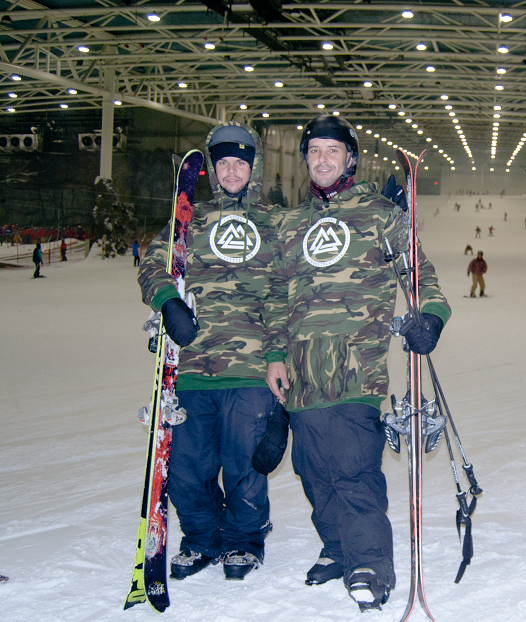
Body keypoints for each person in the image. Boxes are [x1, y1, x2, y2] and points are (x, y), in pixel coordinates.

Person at [261, 114, 450, 612]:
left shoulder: (380, 214)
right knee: (311, 471)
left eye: (332, 150)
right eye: (314, 151)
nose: (322, 159)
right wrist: (276, 355)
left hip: (354, 369)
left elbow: (418, 272)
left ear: (350, 158)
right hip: (301, 376)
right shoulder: (291, 223)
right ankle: (339, 547)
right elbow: (279, 296)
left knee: (353, 470)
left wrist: (430, 315)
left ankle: (369, 564)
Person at [137, 122, 281, 582]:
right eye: (223, 163)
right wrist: (169, 302)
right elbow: (151, 263)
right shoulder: (189, 221)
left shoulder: (275, 224)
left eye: (241, 162)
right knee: (186, 468)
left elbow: (297, 288)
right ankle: (201, 537)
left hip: (251, 369)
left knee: (244, 465)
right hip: (192, 367)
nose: (232, 171)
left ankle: (243, 540)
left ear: (253, 169)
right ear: (212, 171)